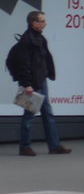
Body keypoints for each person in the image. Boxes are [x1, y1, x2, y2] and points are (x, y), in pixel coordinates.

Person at [6, 11, 71, 156]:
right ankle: (25, 147)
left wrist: (49, 74)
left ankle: (54, 146)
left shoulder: (40, 39)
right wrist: (27, 85)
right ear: (33, 23)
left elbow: (44, 60)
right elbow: (24, 65)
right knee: (29, 115)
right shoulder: (26, 42)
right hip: (31, 84)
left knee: (47, 113)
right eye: (42, 21)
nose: (45, 23)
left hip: (41, 81)